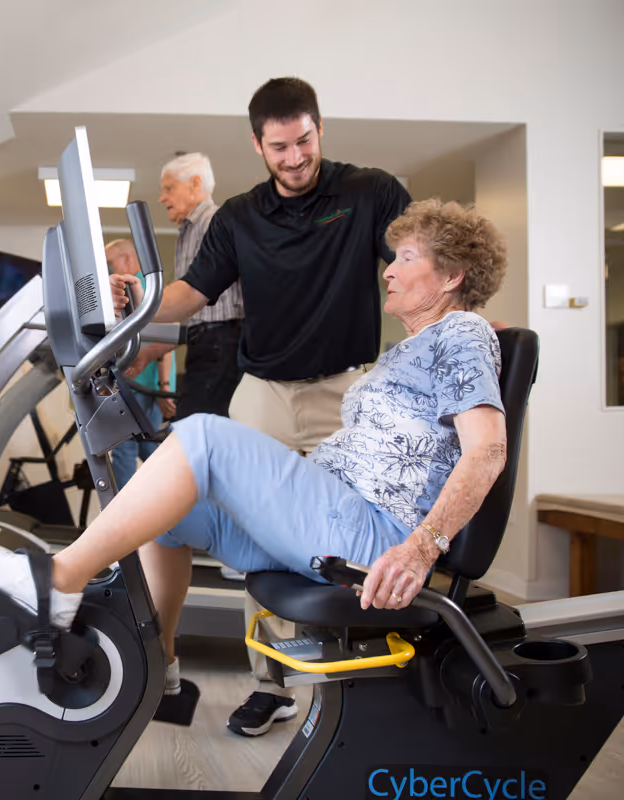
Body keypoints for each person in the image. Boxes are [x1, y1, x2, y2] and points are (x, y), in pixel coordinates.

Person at [0, 199, 509, 731]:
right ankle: (159, 667)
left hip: (371, 535)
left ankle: (56, 584)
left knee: (204, 436)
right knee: (166, 510)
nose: (390, 268)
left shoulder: (460, 334)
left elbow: (488, 449)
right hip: (336, 512)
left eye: (407, 257)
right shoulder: (416, 347)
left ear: (452, 276)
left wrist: (420, 548)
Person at [113, 77, 414, 736]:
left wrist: (457, 324)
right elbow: (190, 295)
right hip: (266, 392)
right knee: (263, 538)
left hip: (348, 390)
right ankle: (270, 684)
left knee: (351, 532)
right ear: (258, 145)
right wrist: (134, 299)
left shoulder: (370, 193)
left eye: (304, 140)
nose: (295, 157)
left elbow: (413, 270)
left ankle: (365, 677)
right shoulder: (241, 217)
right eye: (279, 147)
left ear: (319, 129)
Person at [127, 153, 243, 420]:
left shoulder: (217, 223)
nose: (161, 197)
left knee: (197, 433)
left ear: (195, 184)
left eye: (169, 188)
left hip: (225, 345)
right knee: (194, 432)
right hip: (207, 343)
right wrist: (148, 354)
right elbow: (192, 314)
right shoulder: (189, 231)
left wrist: (143, 304)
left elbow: (217, 314)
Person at [105, 239, 176, 490]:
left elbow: (162, 339)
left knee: (125, 451)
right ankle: (170, 505)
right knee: (150, 450)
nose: (107, 268)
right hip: (139, 384)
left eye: (110, 262)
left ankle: (122, 519)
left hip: (142, 385)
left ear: (125, 259)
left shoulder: (139, 288)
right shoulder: (142, 288)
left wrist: (163, 386)